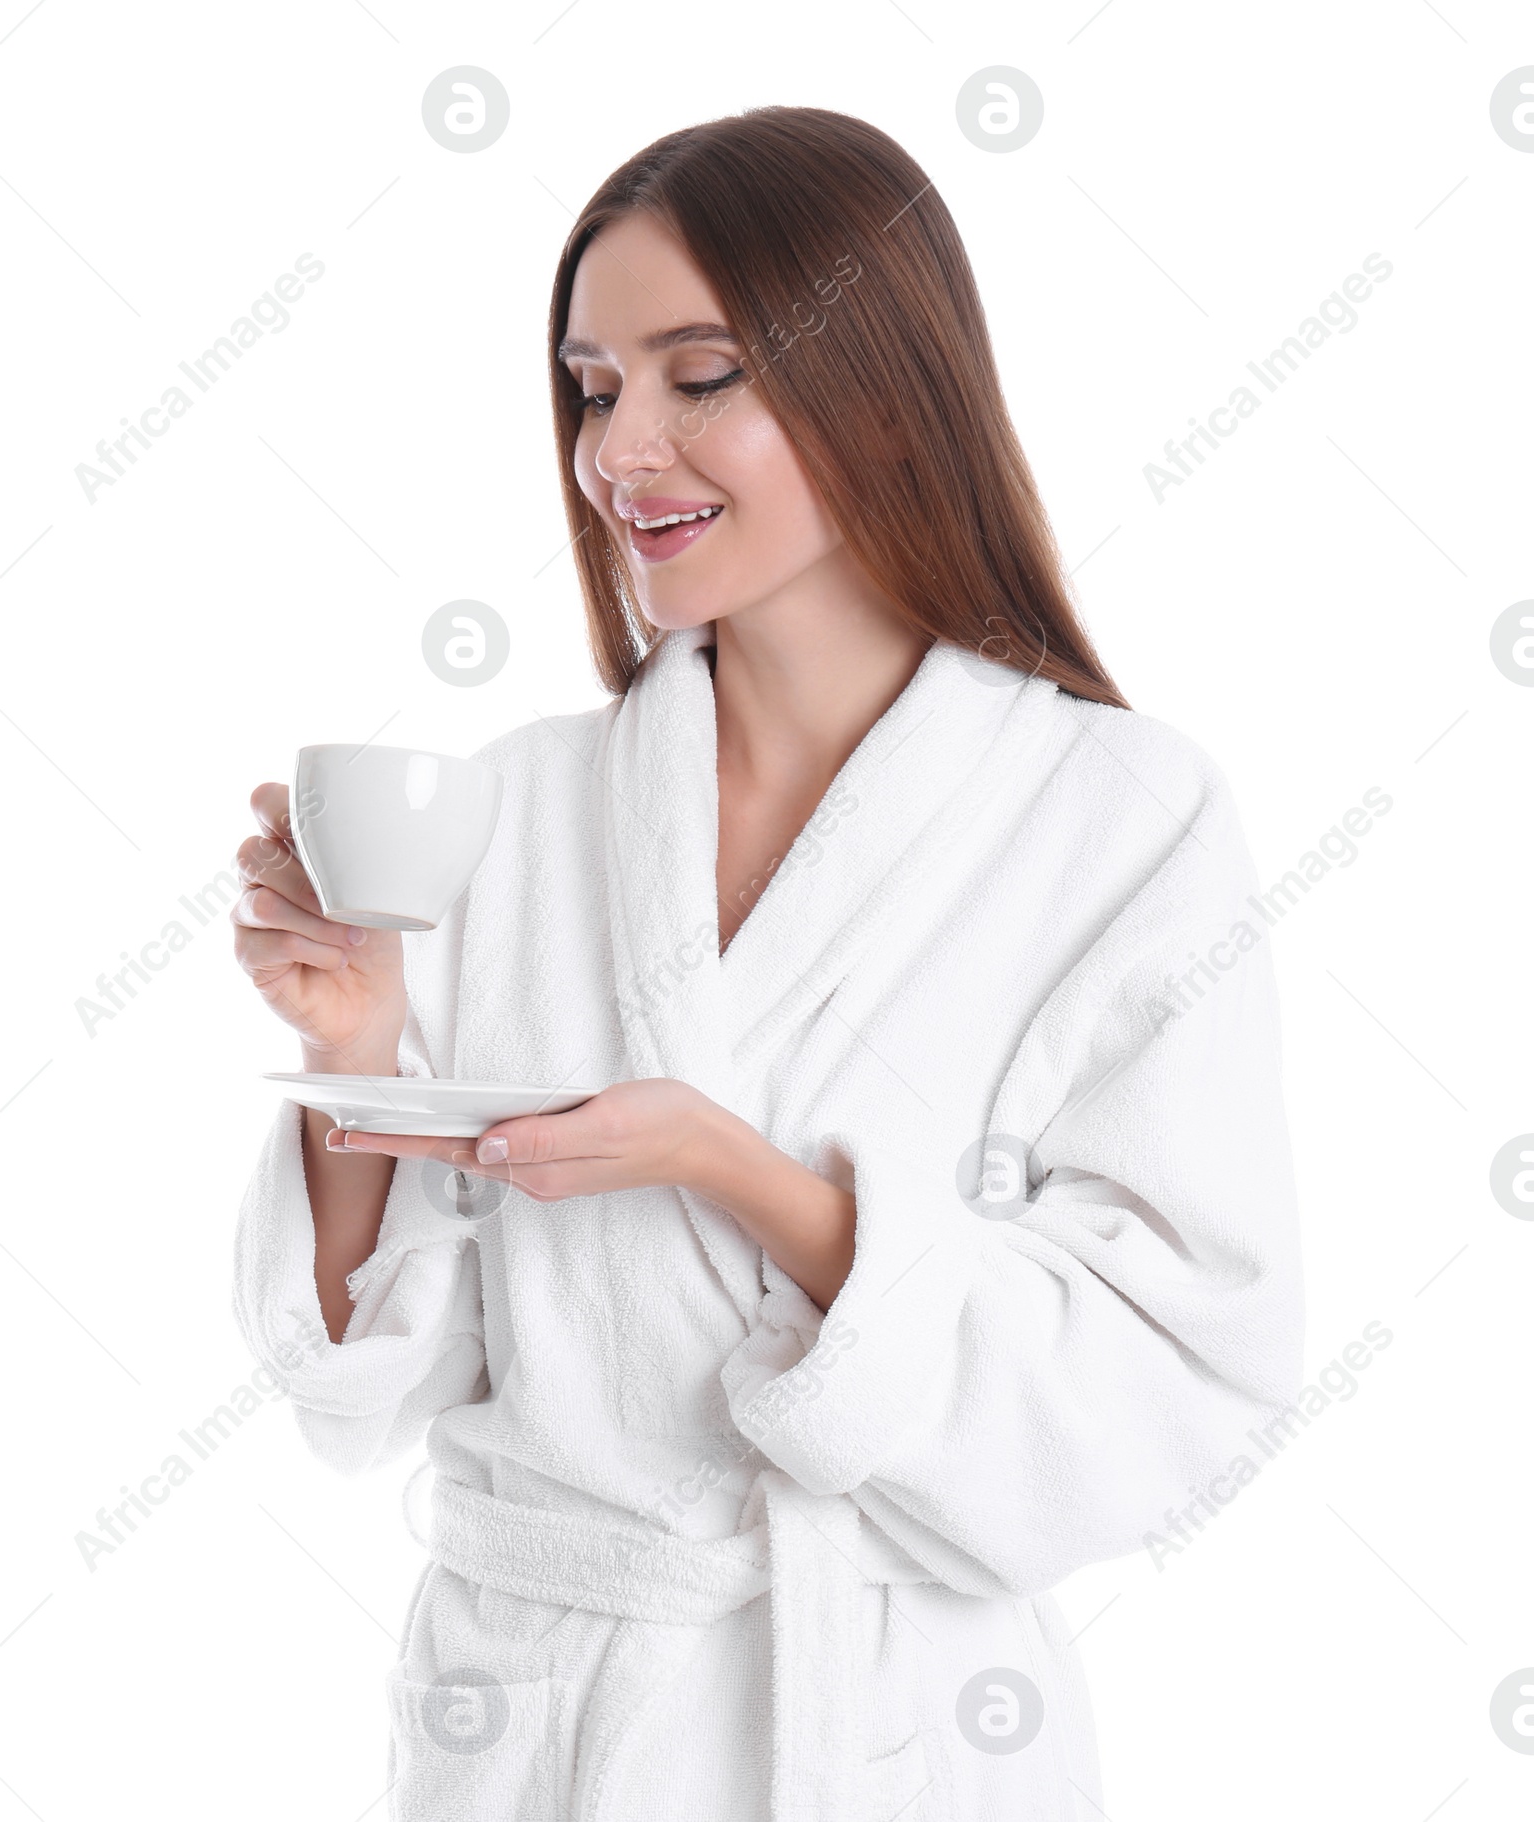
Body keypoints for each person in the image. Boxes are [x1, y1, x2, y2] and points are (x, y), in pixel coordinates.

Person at [231, 105, 1304, 1820]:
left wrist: (732, 1173)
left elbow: (1180, 1372)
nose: (616, 450)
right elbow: (374, 1371)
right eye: (592, 387)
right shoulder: (516, 809)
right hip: (539, 1732)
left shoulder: (1118, 818)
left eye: (697, 373)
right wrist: (359, 1051)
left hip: (891, 1734)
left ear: (885, 385)